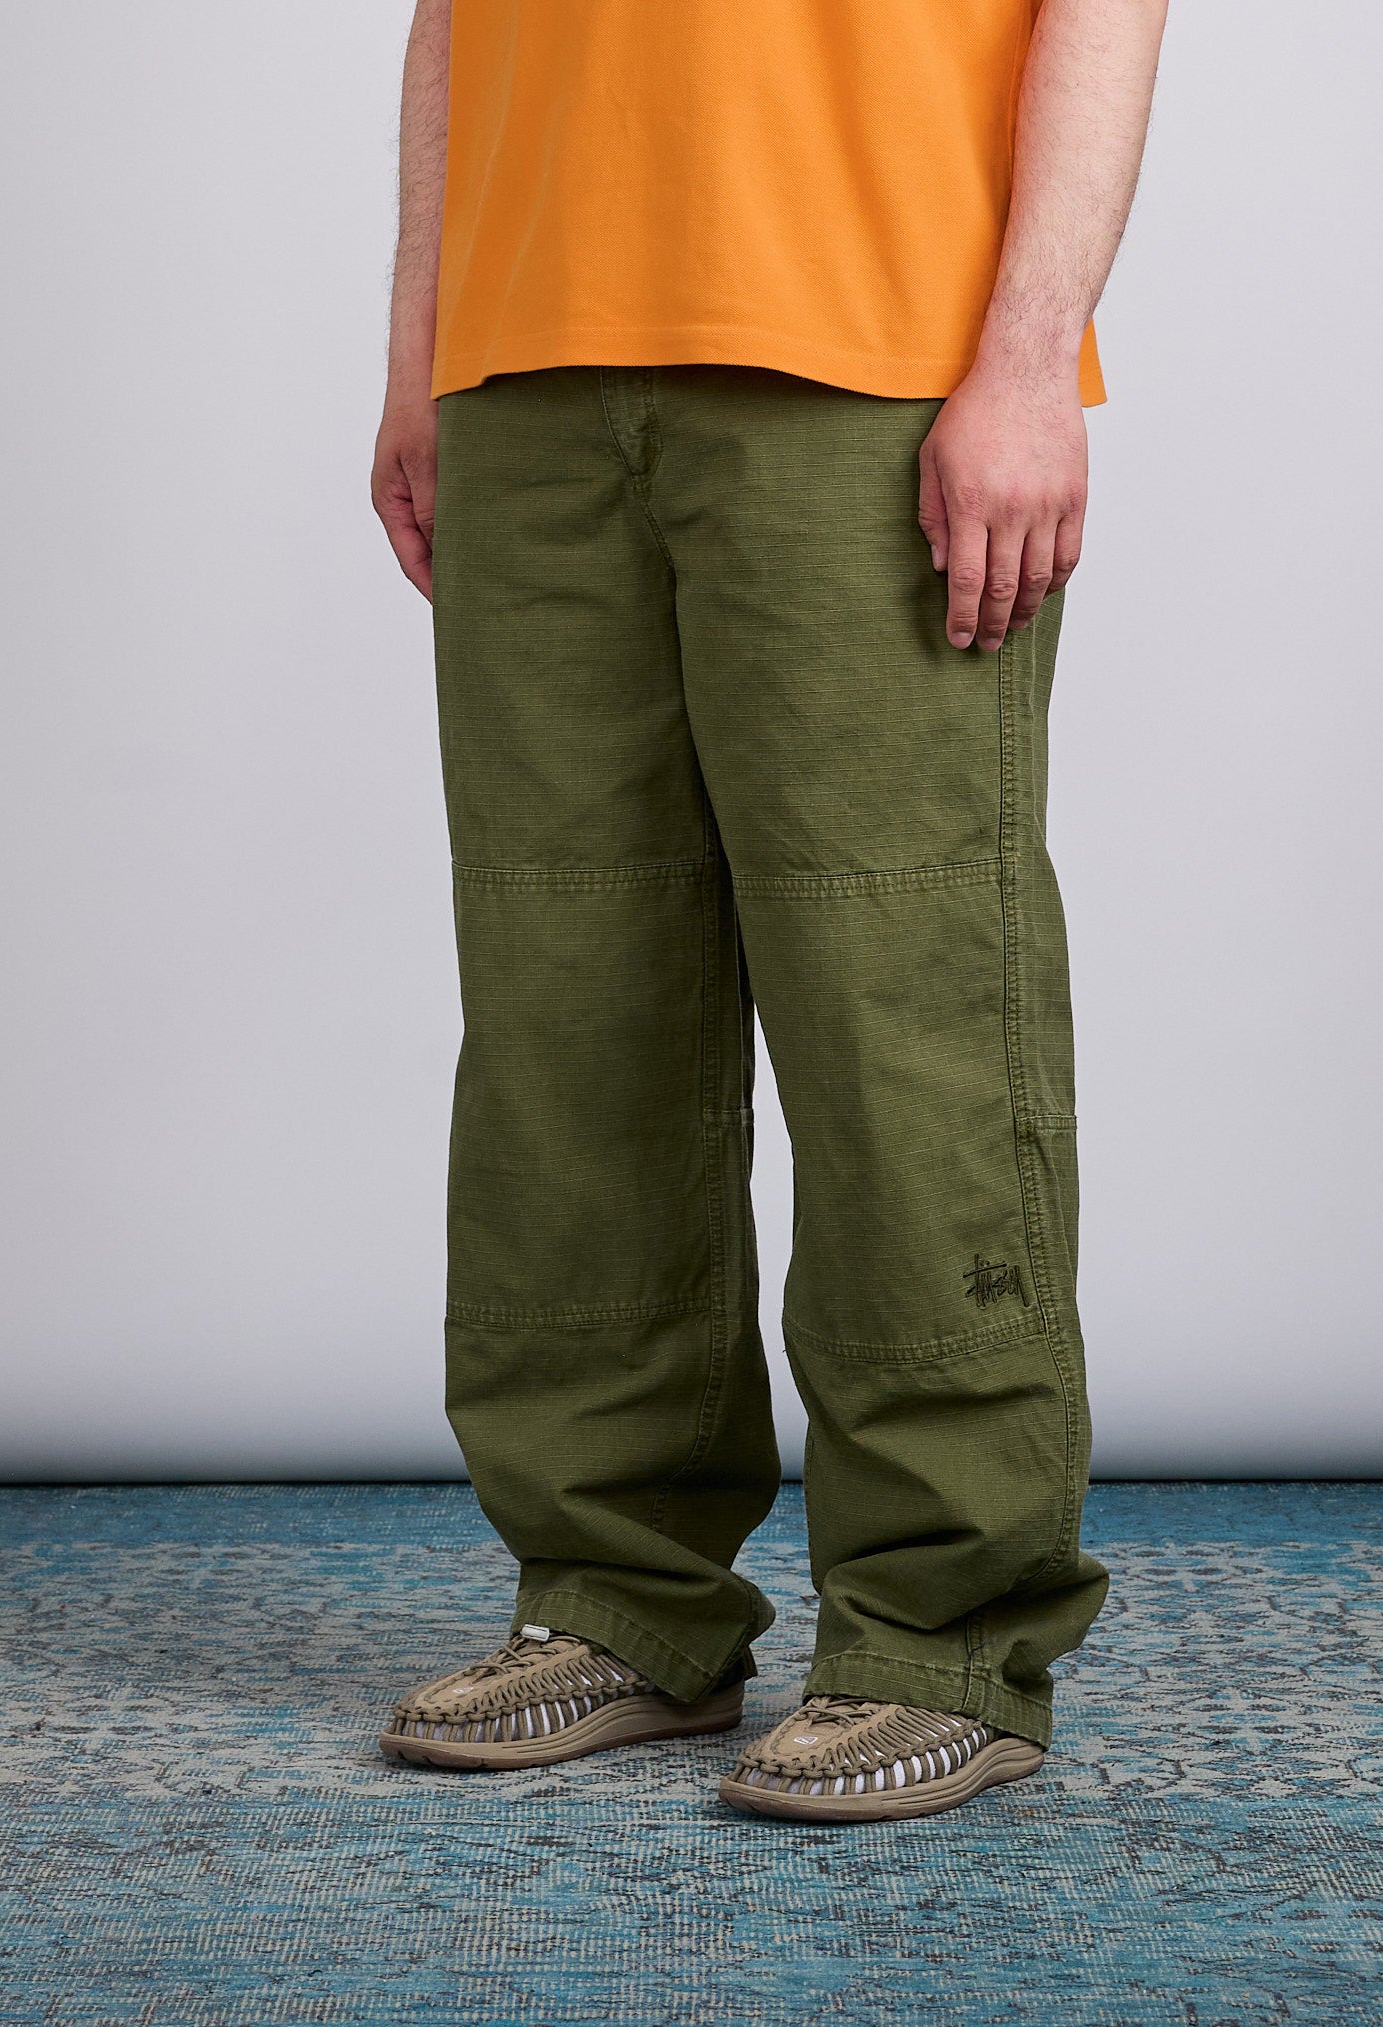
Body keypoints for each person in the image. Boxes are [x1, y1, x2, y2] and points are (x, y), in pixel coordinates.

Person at [371, 0, 1166, 1824]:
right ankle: (616, 1599)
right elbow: (448, 24)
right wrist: (421, 348)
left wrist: (1024, 359)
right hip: (529, 371)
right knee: (567, 1018)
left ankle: (943, 1636)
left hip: (873, 358)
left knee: (899, 1011)